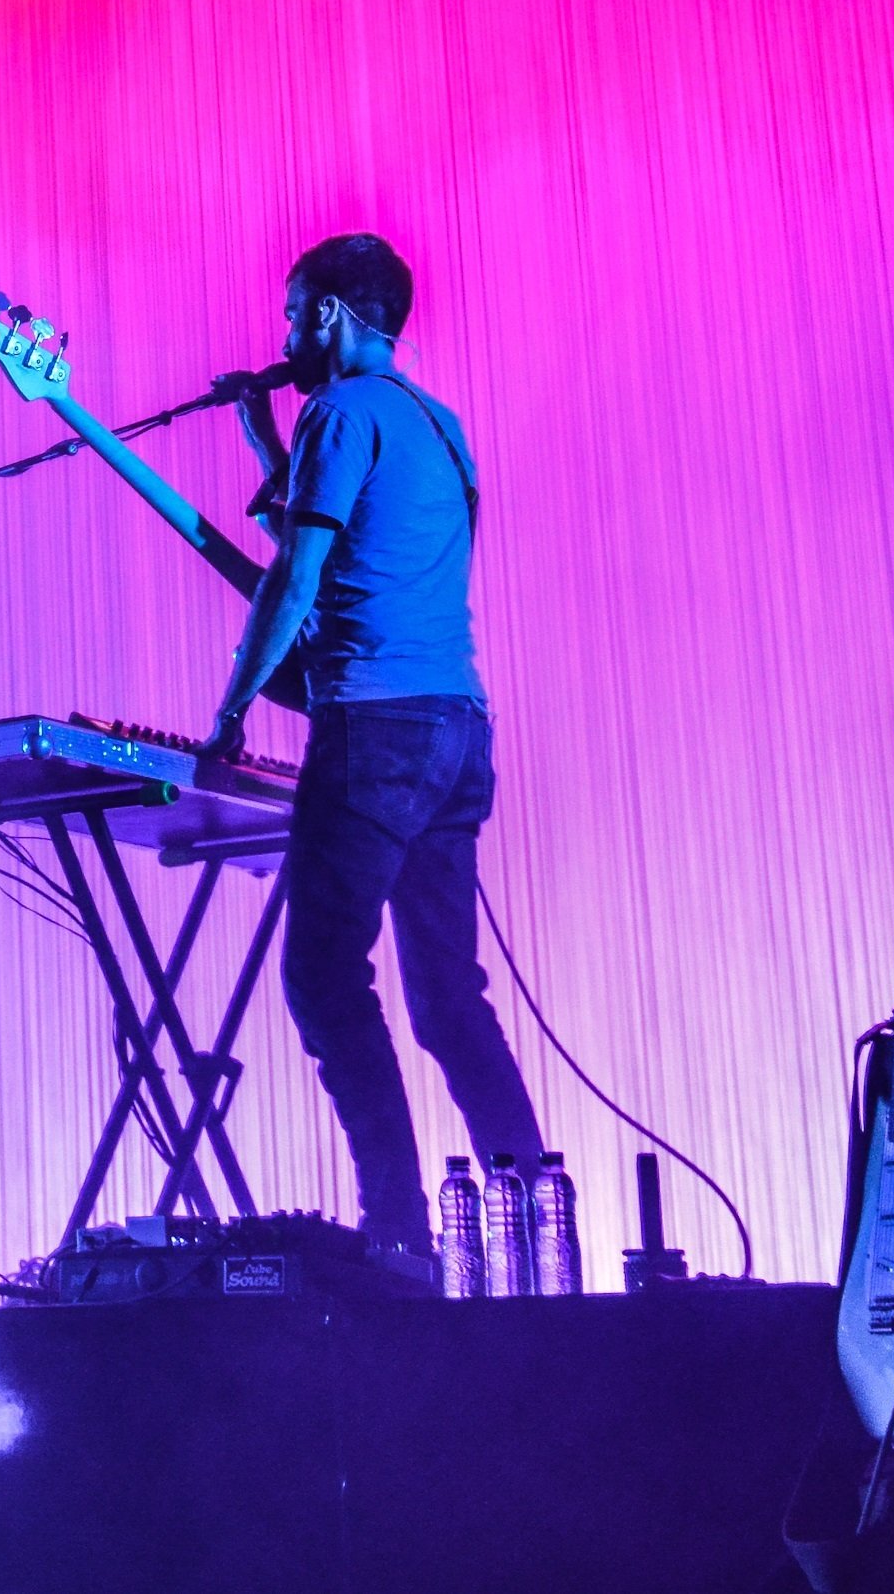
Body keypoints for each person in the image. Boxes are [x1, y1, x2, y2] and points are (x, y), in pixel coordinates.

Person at [204, 234, 544, 1255]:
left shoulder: (339, 412)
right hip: (457, 728)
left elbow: (298, 577)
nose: (285, 335)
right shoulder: (437, 426)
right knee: (446, 994)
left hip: (376, 729)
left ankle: (395, 1229)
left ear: (333, 315)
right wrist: (269, 446)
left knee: (321, 972)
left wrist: (230, 712)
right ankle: (530, 1214)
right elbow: (371, 547)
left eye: (294, 313)